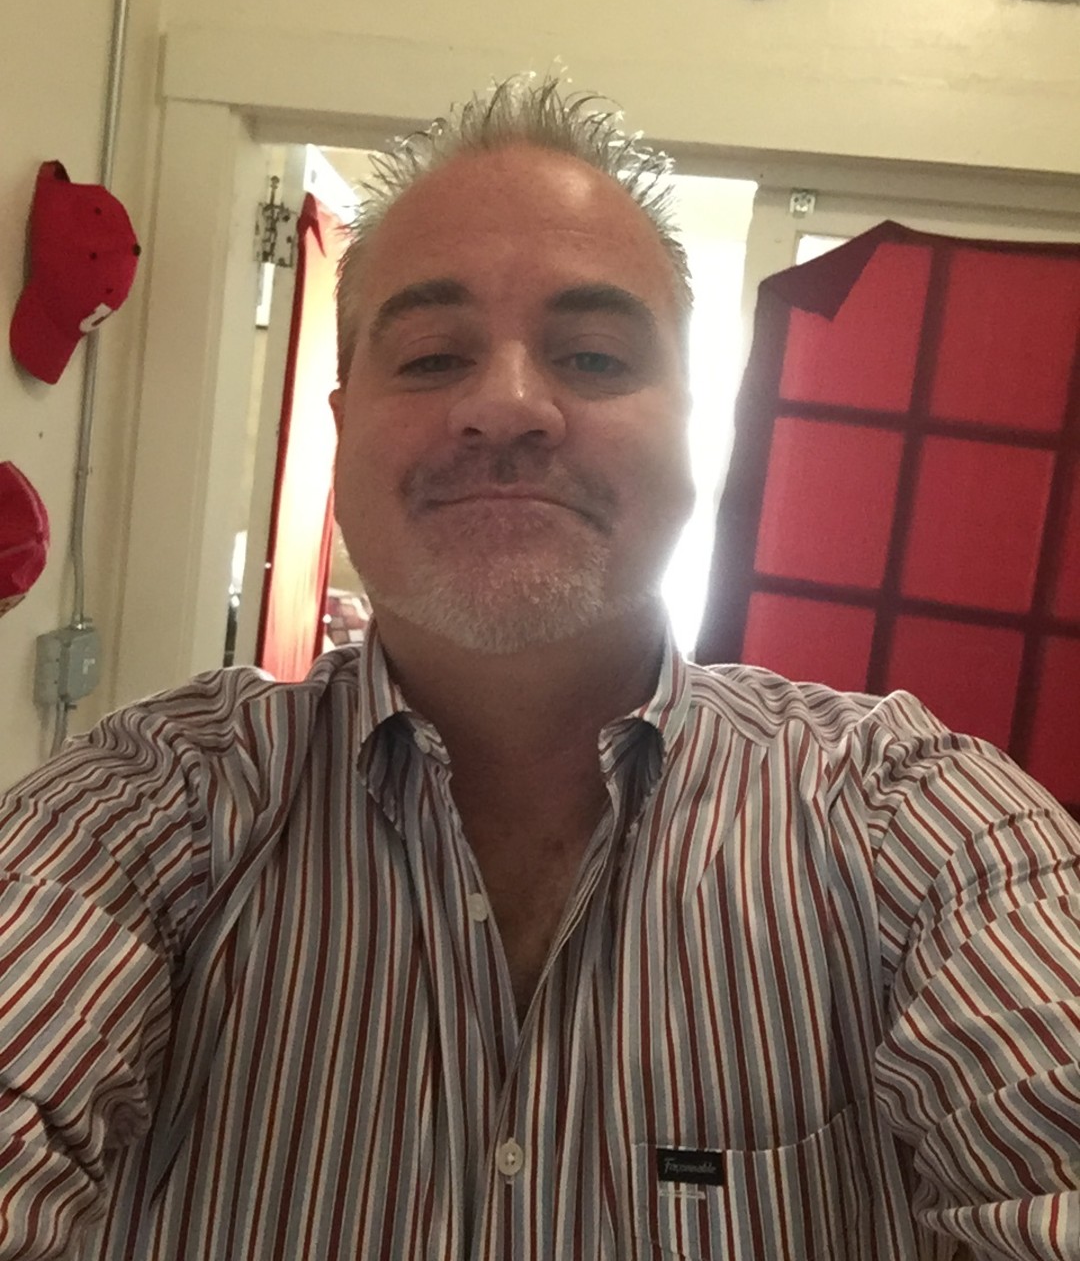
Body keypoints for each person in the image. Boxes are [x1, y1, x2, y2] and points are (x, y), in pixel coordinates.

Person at [1, 77, 1078, 1261]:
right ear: (343, 428)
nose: (507, 406)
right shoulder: (144, 812)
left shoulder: (916, 822)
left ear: (693, 426)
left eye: (595, 355)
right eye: (430, 357)